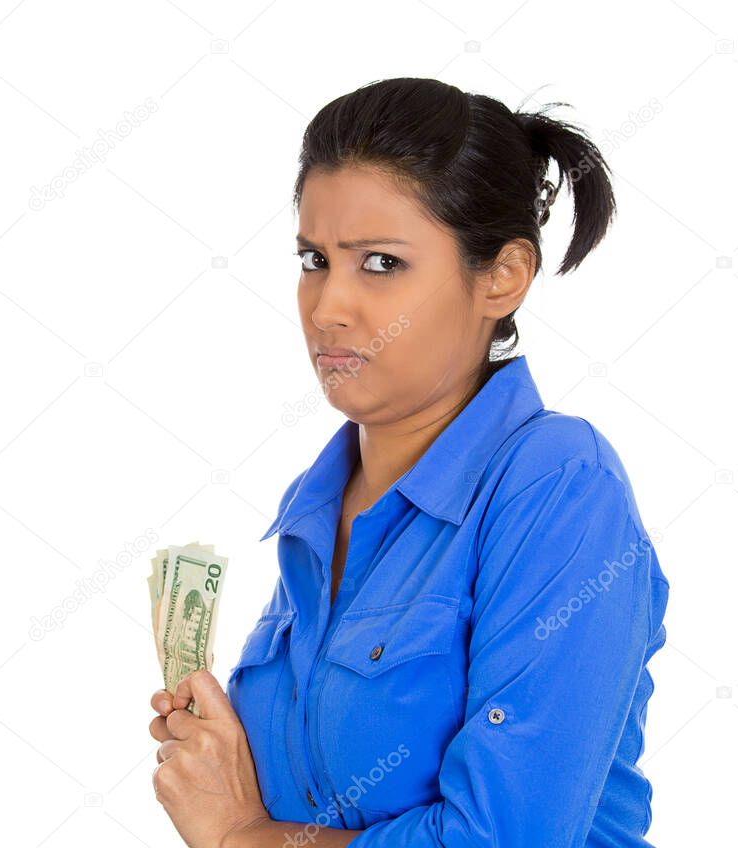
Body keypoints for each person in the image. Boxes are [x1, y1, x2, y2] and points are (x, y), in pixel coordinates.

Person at [148, 76, 670, 848]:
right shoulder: (313, 511)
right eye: (313, 258)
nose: (328, 306)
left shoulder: (558, 484)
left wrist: (242, 836)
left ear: (502, 277)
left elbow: (506, 840)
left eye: (382, 264)